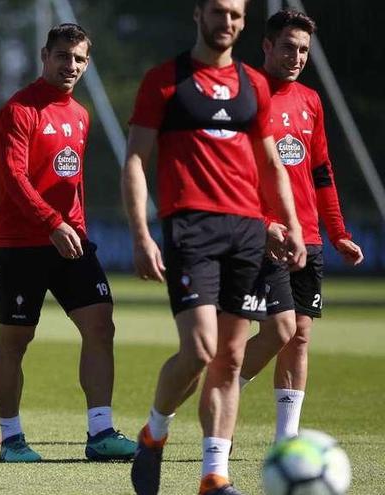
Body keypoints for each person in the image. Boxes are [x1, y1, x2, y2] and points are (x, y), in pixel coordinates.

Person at [122, 0, 308, 493]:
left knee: (229, 357)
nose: (227, 23)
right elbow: (137, 160)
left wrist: (290, 223)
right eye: (219, 12)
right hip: (191, 229)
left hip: (248, 232)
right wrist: (141, 232)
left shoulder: (254, 85)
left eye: (236, 16)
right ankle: (154, 432)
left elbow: (271, 163)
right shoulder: (164, 81)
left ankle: (214, 476)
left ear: (244, 23)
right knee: (201, 348)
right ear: (198, 14)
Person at [0, 23, 137, 464]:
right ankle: (12, 440)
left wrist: (70, 226)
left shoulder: (80, 114)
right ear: (44, 56)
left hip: (71, 240)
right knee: (16, 339)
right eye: (62, 56)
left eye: (78, 59)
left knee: (100, 324)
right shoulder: (19, 110)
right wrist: (52, 222)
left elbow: (71, 184)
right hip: (22, 243)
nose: (70, 65)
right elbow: (14, 178)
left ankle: (100, 432)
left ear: (86, 63)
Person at [239, 9, 364, 442]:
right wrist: (260, 224)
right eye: (289, 47)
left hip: (306, 236)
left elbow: (322, 170)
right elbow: (229, 172)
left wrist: (339, 233)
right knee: (278, 328)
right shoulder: (244, 94)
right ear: (267, 46)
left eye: (304, 49)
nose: (297, 56)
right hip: (263, 235)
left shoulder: (310, 100)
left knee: (300, 335)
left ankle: (285, 440)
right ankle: (224, 397)